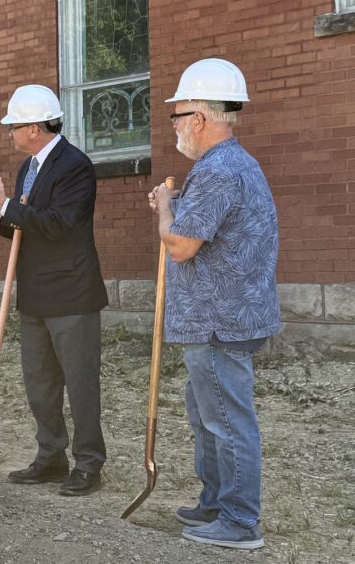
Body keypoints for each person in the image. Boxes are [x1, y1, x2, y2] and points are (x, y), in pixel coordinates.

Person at [149, 58, 279, 550]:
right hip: (222, 317)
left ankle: (241, 521)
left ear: (199, 118)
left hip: (219, 321)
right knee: (208, 415)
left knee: (225, 420)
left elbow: (181, 246)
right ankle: (215, 502)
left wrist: (165, 209)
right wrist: (177, 206)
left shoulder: (218, 170)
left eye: (177, 116)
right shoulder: (231, 165)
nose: (175, 126)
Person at [0, 84, 108, 496]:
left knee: (80, 384)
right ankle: (50, 455)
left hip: (71, 293)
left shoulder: (74, 165)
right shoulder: (29, 167)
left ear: (34, 127)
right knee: (40, 383)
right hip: (35, 292)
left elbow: (58, 224)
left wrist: (6, 206)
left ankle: (88, 463)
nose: (9, 133)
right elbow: (23, 227)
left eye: (13, 126)